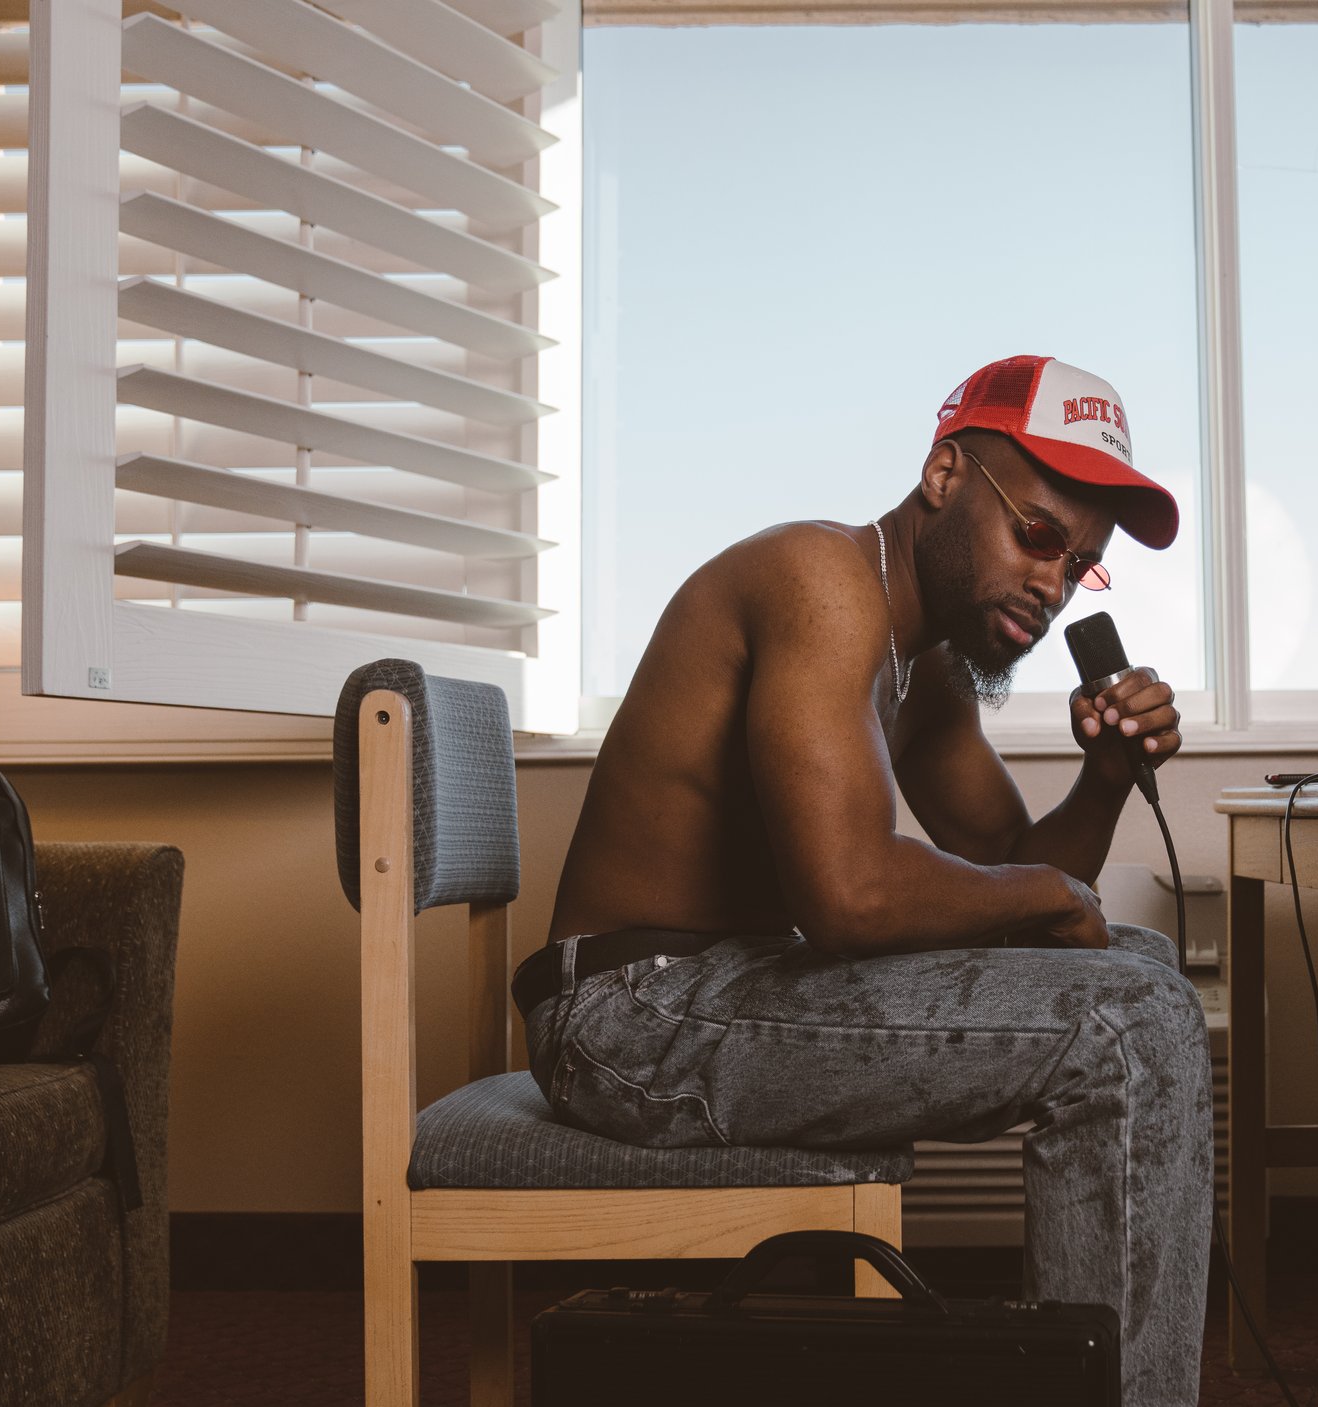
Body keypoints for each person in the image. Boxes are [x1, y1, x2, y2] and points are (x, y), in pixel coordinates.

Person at [516, 355, 1212, 1405]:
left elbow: (1017, 886)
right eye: (1035, 533)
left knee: (1139, 967)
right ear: (942, 476)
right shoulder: (817, 580)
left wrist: (1106, 778)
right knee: (1130, 1024)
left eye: (1080, 566)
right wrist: (1046, 900)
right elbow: (851, 898)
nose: (1051, 582)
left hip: (736, 985)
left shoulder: (923, 668)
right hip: (627, 1017)